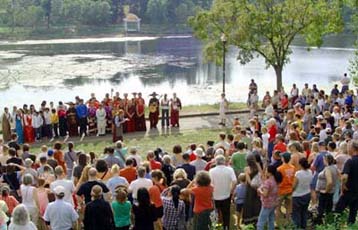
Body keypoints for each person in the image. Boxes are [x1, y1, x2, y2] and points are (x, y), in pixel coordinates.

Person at [209, 155, 237, 229]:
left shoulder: (212, 171)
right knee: (226, 214)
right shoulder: (229, 170)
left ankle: (215, 227)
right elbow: (234, 181)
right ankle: (226, 227)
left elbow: (210, 184)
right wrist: (231, 190)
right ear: (224, 161)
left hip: (215, 195)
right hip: (226, 195)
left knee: (215, 214)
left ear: (216, 162)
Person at [256, 165, 282, 230]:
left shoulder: (268, 182)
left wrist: (259, 190)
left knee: (260, 222)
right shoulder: (276, 180)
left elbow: (265, 194)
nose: (265, 171)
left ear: (270, 173)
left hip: (267, 204)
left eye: (266, 170)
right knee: (271, 220)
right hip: (274, 203)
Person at [316, 154, 339, 224]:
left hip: (325, 193)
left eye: (323, 159)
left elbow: (330, 182)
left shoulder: (328, 169)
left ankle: (320, 224)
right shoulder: (334, 167)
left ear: (326, 160)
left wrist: (326, 190)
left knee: (321, 210)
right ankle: (328, 223)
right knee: (328, 210)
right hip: (331, 192)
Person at [292, 158, 313, 229]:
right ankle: (304, 226)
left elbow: (294, 186)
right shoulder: (310, 171)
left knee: (296, 213)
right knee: (304, 212)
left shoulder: (298, 173)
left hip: (297, 195)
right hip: (307, 194)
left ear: (300, 164)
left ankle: (297, 227)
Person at [276, 152, 295, 223]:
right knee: (288, 208)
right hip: (290, 189)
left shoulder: (279, 169)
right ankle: (288, 222)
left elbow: (277, 180)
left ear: (283, 159)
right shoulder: (293, 167)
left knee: (278, 208)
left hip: (281, 190)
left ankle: (277, 223)